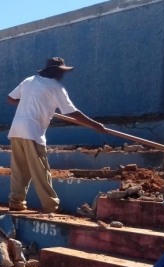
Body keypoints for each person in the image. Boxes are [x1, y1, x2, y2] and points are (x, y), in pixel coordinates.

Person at [6, 57, 107, 213]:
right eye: (61, 71)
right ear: (54, 71)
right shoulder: (55, 87)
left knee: (20, 169)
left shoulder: (29, 80)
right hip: (32, 131)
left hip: (16, 129)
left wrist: (33, 104)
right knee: (41, 170)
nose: (62, 75)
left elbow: (10, 99)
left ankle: (16, 202)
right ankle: (50, 206)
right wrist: (95, 125)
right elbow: (72, 112)